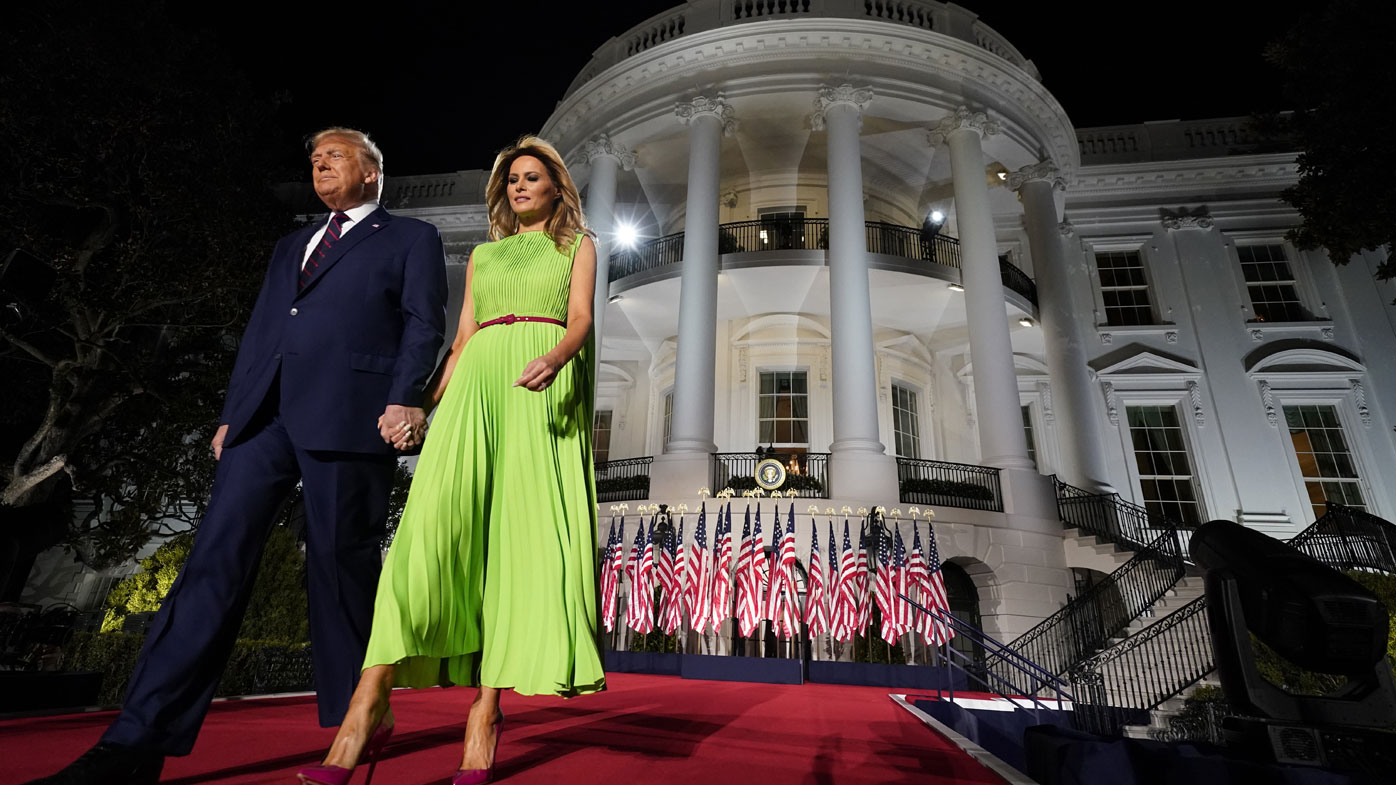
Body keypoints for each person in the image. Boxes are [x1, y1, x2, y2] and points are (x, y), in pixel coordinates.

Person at [26, 128, 448, 785]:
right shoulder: (291, 246)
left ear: (372, 172)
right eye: (313, 160)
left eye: (333, 157)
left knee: (340, 572)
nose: (319, 167)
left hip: (351, 417)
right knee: (210, 567)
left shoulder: (409, 238)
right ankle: (136, 740)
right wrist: (232, 414)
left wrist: (404, 399)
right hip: (264, 422)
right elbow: (262, 331)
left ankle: (356, 717)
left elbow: (425, 321)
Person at [295, 136, 604, 785]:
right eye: (513, 179)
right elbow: (461, 339)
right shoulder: (487, 255)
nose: (519, 186)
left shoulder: (577, 246)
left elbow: (579, 317)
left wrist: (557, 357)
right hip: (474, 387)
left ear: (556, 187)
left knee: (512, 552)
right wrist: (419, 405)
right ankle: (366, 700)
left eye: (531, 177)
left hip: (536, 385)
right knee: (426, 537)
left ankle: (484, 714)